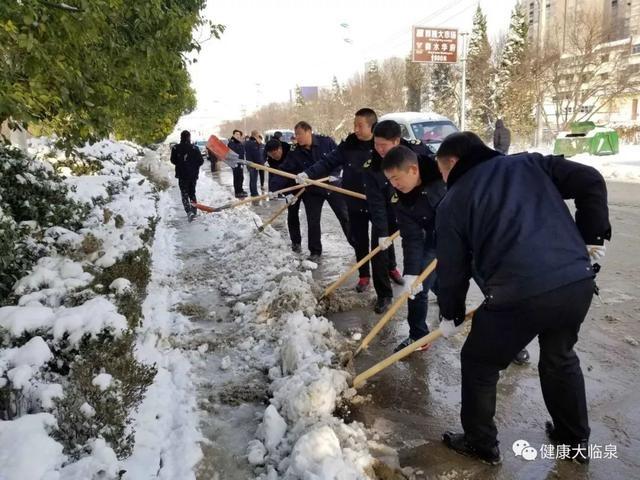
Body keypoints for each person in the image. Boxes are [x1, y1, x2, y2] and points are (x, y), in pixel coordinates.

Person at [433, 131, 611, 465]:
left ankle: (480, 442)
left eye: (442, 171)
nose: (443, 180)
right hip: (575, 282)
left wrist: (450, 313)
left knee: (479, 362)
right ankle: (573, 440)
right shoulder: (530, 163)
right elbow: (590, 179)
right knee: (560, 357)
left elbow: (452, 269)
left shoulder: (453, 201)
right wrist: (594, 236)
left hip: (518, 296)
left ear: (453, 162)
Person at [297, 109, 385, 299]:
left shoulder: (381, 144)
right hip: (354, 200)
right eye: (354, 125)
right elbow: (328, 161)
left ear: (372, 126)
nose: (355, 129)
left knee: (382, 244)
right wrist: (309, 173)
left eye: (359, 125)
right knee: (360, 240)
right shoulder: (349, 144)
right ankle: (363, 276)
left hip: (378, 202)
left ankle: (389, 276)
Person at [381, 145, 445, 352]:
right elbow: (412, 238)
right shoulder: (400, 197)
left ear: (413, 170)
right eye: (390, 179)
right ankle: (418, 336)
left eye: (397, 178)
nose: (394, 184)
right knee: (417, 286)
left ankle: (512, 341)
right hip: (435, 240)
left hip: (469, 237)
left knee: (489, 286)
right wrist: (410, 273)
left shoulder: (443, 177)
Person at [271, 121, 351, 261]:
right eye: (295, 135)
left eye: (299, 134)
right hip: (312, 190)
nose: (297, 137)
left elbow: (339, 159)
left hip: (331, 186)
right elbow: (284, 170)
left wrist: (336, 173)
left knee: (345, 216)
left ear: (309, 132)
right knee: (313, 221)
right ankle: (315, 251)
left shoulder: (326, 142)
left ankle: (357, 245)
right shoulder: (295, 151)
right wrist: (275, 188)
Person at [265, 139, 302, 253]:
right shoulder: (271, 160)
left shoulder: (293, 151)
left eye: (275, 154)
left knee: (312, 216)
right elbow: (276, 177)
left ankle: (315, 248)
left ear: (280, 149)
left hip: (304, 182)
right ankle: (296, 243)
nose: (274, 157)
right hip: (289, 187)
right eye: (270, 155)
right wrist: (286, 194)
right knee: (292, 214)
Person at [170, 130, 204, 222]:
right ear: (189, 137)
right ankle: (194, 210)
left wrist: (181, 163)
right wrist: (193, 165)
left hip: (182, 175)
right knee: (192, 193)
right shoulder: (195, 148)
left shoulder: (175, 148)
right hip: (193, 175)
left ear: (181, 137)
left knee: (184, 194)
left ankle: (189, 211)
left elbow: (173, 161)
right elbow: (201, 161)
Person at [244, 130, 265, 197]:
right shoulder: (254, 143)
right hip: (254, 164)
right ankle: (254, 193)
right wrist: (260, 163)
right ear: (256, 135)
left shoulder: (247, 143)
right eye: (258, 135)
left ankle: (253, 192)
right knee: (254, 179)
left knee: (252, 179)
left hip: (249, 163)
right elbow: (256, 155)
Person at [228, 129, 247, 198]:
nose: (238, 136)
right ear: (233, 135)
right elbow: (232, 153)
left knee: (241, 177)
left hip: (240, 162)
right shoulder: (232, 142)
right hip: (235, 163)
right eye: (236, 134)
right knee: (237, 177)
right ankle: (237, 192)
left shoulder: (239, 142)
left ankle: (241, 190)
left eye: (239, 134)